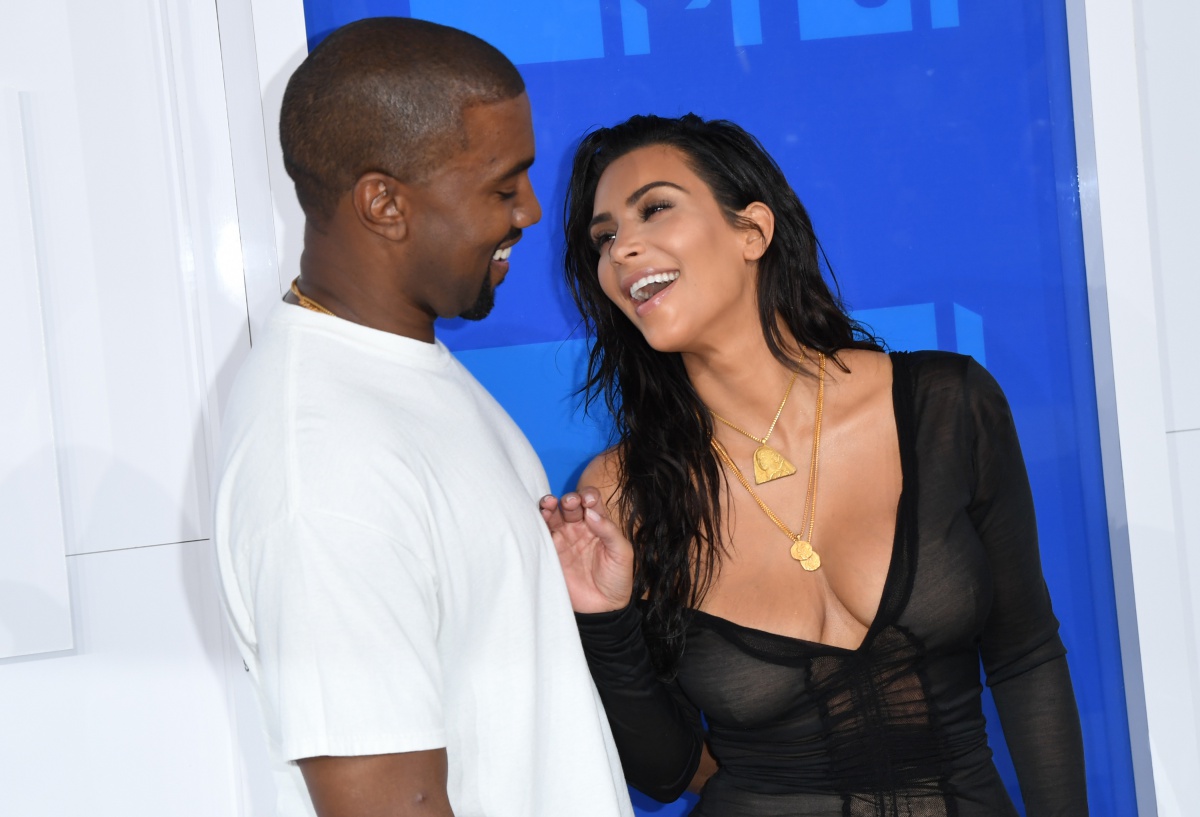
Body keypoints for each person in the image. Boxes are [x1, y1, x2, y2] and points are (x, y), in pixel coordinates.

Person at [540, 114, 1088, 816]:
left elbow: (1026, 655)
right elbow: (666, 770)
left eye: (655, 208)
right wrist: (606, 622)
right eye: (603, 238)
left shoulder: (945, 406)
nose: (622, 249)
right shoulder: (621, 491)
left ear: (753, 231)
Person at [213, 18, 633, 817]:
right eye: (503, 187)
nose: (531, 211)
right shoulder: (323, 461)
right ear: (385, 203)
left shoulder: (397, 370)